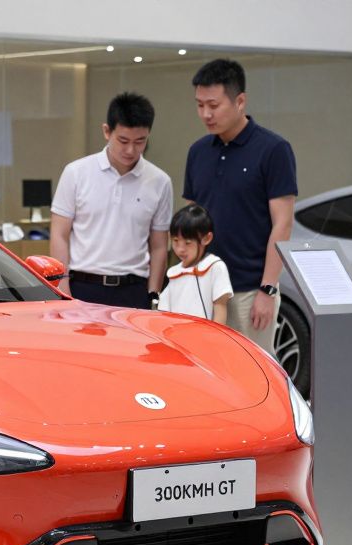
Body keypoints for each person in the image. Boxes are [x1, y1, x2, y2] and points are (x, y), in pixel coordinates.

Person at [183, 58, 296, 354]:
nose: (205, 114)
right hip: (203, 287)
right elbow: (190, 224)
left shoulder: (273, 150)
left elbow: (282, 225)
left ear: (240, 101)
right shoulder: (197, 152)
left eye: (214, 105)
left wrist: (268, 290)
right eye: (199, 105)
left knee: (253, 372)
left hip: (248, 290)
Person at [49, 92, 172, 308]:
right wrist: (62, 285)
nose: (130, 150)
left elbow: (159, 246)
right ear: (107, 131)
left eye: (140, 141)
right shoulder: (76, 173)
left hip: (134, 290)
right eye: (123, 140)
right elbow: (59, 234)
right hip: (82, 286)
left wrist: (153, 293)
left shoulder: (160, 181)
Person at [158, 204, 232, 323]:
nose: (180, 249)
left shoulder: (214, 266)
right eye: (176, 241)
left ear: (207, 238)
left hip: (205, 337)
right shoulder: (174, 273)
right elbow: (164, 313)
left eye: (187, 243)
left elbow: (220, 308)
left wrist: (215, 339)